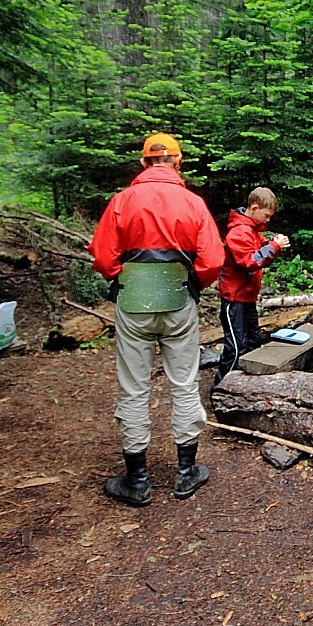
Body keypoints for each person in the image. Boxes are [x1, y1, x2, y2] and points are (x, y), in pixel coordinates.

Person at [88, 133, 224, 506]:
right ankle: (185, 473)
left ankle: (138, 480)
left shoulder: (121, 201)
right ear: (177, 162)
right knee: (183, 382)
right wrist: (191, 284)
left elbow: (101, 255)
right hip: (179, 301)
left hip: (133, 301)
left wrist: (123, 277)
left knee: (133, 387)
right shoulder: (193, 203)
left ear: (145, 162)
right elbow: (213, 259)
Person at [216, 187, 291, 384]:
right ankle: (221, 387)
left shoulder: (252, 230)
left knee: (252, 343)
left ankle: (246, 386)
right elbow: (249, 261)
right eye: (266, 215)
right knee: (236, 348)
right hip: (234, 300)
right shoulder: (238, 232)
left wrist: (272, 244)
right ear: (254, 208)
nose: (268, 220)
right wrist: (273, 247)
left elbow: (261, 251)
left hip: (247, 297)